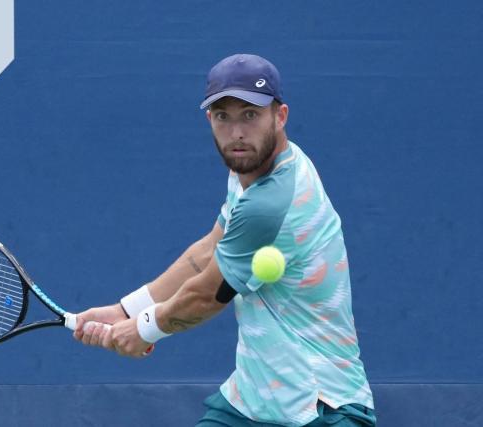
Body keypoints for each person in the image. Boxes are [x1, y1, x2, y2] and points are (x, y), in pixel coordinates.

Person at [74, 54, 376, 426]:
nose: (236, 133)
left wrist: (144, 329)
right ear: (209, 121)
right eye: (223, 117)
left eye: (250, 115)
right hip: (252, 401)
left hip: (321, 406)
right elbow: (209, 249)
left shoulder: (270, 202)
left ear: (280, 116)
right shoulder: (252, 166)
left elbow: (206, 295)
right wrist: (127, 310)